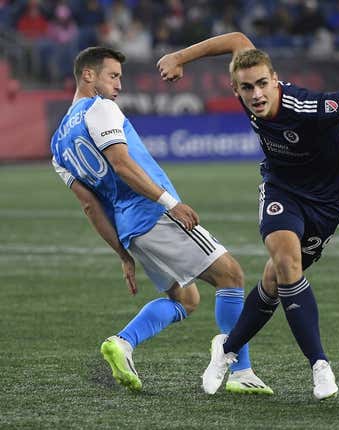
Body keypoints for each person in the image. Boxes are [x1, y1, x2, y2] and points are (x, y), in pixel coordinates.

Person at [157, 32, 339, 400]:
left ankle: (226, 350)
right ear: (236, 90)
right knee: (286, 261)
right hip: (281, 189)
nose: (257, 94)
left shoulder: (308, 106)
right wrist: (180, 57)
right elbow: (236, 39)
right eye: (247, 88)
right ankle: (320, 365)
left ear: (275, 80)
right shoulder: (248, 88)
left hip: (327, 203)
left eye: (263, 84)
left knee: (273, 280)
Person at [50, 46, 272, 395]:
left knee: (186, 299)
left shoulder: (57, 146)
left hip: (130, 231)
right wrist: (171, 204)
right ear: (88, 76)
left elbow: (91, 207)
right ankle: (241, 372)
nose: (119, 85)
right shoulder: (100, 108)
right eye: (113, 76)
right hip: (154, 215)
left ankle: (123, 343)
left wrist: (123, 254)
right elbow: (122, 164)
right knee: (231, 275)